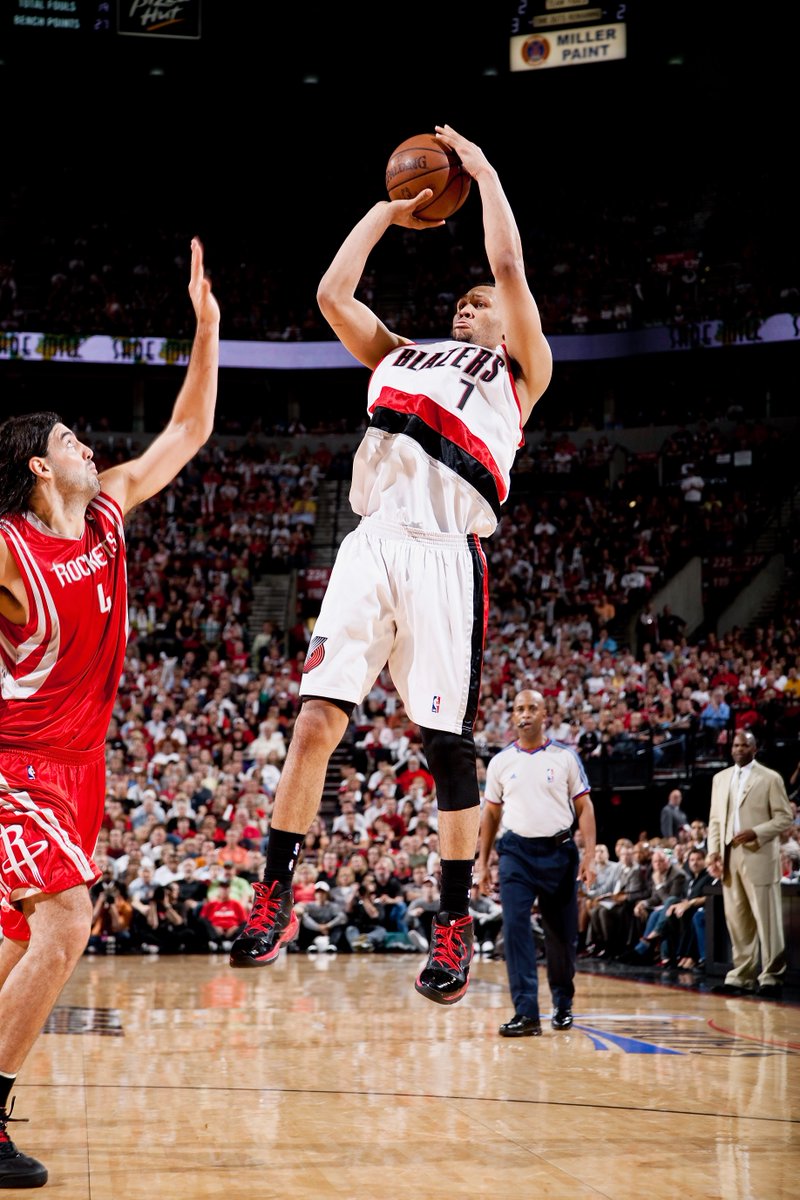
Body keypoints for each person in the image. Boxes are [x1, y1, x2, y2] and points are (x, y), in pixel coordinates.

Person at [229, 124, 553, 1011]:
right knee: (313, 725)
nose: (468, 305)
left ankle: (454, 922)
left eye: (477, 302)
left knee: (446, 748)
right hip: (371, 542)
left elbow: (514, 272)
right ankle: (275, 893)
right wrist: (386, 209)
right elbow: (333, 294)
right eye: (461, 299)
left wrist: (483, 174)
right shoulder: (402, 354)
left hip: (448, 555)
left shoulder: (519, 371)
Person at [0, 237, 219, 1187]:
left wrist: (207, 330)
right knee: (65, 925)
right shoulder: (9, 549)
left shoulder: (108, 514)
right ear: (39, 471)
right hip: (14, 768)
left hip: (82, 771)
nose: (89, 447)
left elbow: (186, 433)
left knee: (15, 947)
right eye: (67, 442)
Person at [476, 690, 596, 1037]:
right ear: (512, 717)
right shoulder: (500, 762)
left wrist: (589, 856)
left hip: (559, 853)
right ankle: (526, 1012)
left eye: (531, 708)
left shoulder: (565, 758)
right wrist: (483, 863)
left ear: (545, 714)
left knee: (561, 937)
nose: (524, 714)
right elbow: (492, 813)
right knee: (514, 926)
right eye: (518, 709)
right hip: (516, 854)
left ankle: (562, 1001)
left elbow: (585, 807)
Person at [706, 730, 793, 997]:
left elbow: (784, 818)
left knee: (767, 920)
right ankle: (740, 976)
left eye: (745, 745)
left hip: (758, 854)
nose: (739, 749)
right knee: (738, 920)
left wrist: (756, 831)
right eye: (735, 745)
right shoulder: (719, 779)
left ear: (755, 749)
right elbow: (715, 821)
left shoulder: (770, 778)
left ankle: (771, 977)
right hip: (729, 855)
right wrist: (713, 853)